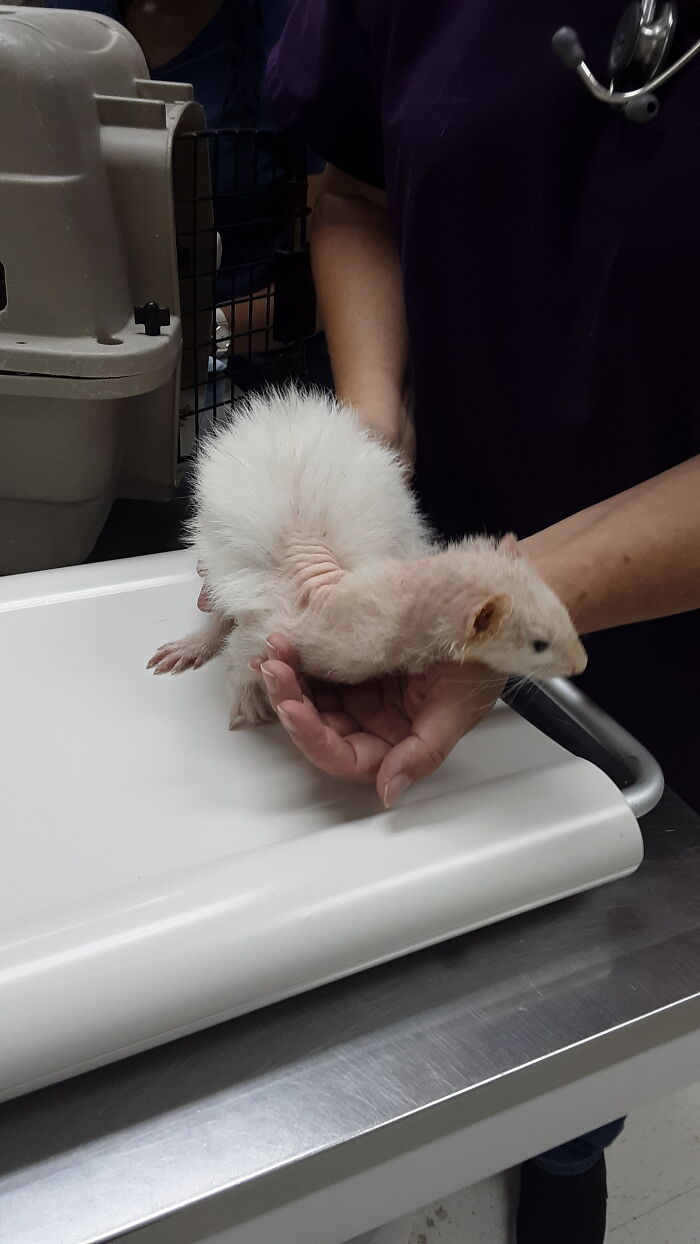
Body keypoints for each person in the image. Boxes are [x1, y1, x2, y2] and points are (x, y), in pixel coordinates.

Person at [219, 3, 699, 1242]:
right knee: (399, 890)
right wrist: (365, 444)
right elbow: (356, 193)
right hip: (431, 537)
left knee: (595, 938)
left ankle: (567, 1128)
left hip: (667, 630)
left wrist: (523, 603)